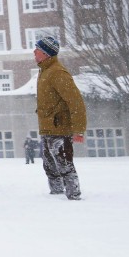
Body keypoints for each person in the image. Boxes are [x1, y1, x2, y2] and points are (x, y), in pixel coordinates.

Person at [34, 36, 86, 200]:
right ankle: (56, 194)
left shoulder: (57, 72)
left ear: (46, 53)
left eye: (37, 50)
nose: (34, 52)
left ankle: (73, 194)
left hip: (60, 128)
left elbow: (75, 102)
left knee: (64, 163)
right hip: (47, 128)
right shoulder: (44, 71)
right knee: (49, 165)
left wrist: (78, 130)